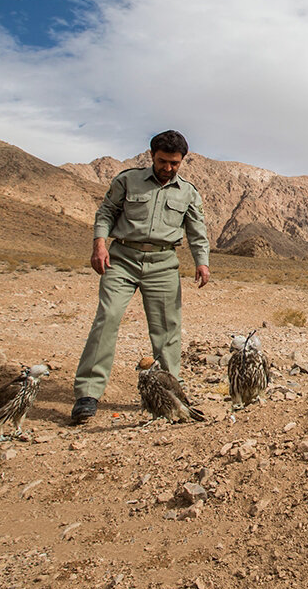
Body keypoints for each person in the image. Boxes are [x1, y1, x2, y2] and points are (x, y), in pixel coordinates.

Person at [71, 130, 211, 424]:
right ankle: (88, 393)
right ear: (151, 156)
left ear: (182, 160)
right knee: (107, 317)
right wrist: (99, 244)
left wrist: (202, 263)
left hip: (163, 263)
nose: (168, 168)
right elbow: (106, 212)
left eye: (175, 163)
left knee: (167, 329)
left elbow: (197, 232)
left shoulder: (188, 192)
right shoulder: (127, 181)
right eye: (163, 161)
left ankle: (170, 391)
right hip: (122, 258)